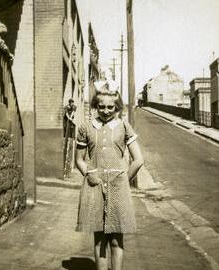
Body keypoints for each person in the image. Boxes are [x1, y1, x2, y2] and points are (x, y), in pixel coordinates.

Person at [75, 81, 144, 270]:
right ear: (96, 106)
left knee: (116, 240)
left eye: (110, 107)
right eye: (101, 107)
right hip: (94, 188)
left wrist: (123, 180)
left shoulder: (123, 126)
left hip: (118, 189)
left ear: (117, 107)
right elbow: (79, 160)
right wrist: (89, 174)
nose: (105, 111)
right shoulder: (86, 128)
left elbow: (138, 160)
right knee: (99, 241)